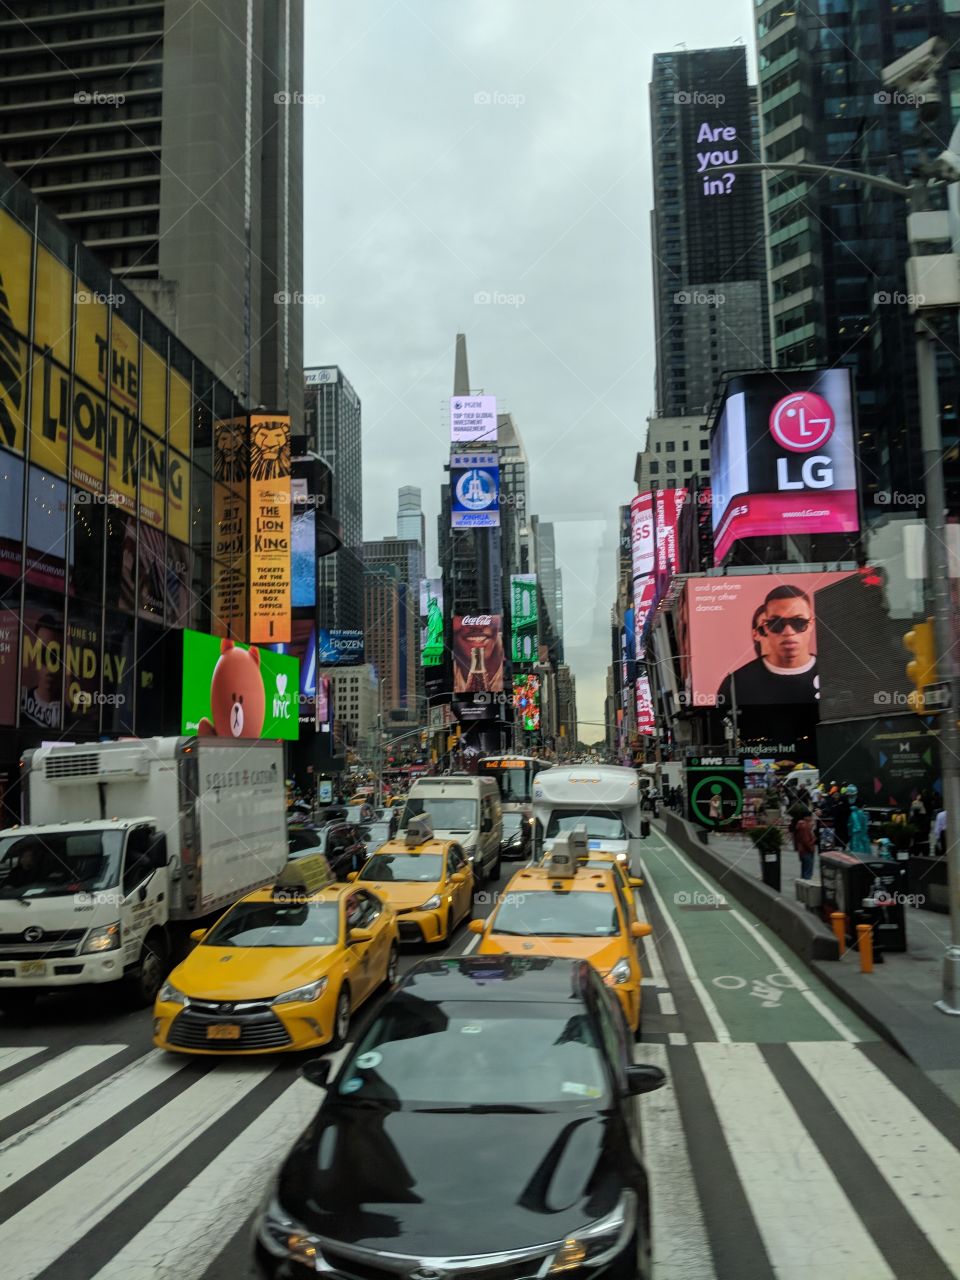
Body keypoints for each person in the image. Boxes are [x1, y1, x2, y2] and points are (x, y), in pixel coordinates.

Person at [716, 585, 820, 708]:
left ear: (811, 624)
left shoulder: (836, 673)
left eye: (798, 622)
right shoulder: (736, 683)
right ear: (765, 627)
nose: (788, 631)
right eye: (776, 624)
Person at [847, 788, 871, 855]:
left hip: (856, 837)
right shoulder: (863, 814)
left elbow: (856, 828)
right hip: (862, 837)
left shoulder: (854, 813)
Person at [794, 810, 816, 880]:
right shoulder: (805, 827)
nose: (812, 818)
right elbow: (806, 840)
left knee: (804, 870)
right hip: (807, 850)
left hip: (802, 850)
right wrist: (812, 844)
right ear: (806, 817)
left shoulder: (801, 825)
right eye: (811, 817)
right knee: (808, 871)